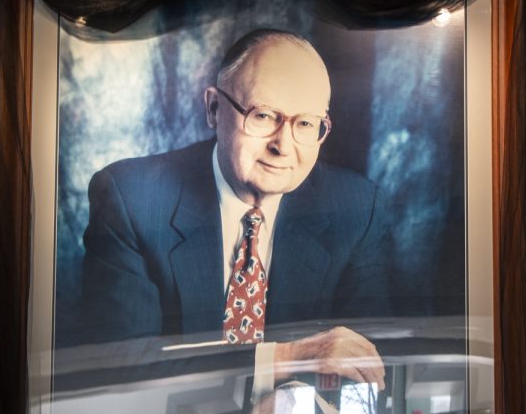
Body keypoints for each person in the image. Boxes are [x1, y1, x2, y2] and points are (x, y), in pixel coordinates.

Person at [81, 28, 390, 389]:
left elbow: (366, 367)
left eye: (306, 123)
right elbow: (121, 366)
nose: (283, 146)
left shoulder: (356, 209)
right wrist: (282, 359)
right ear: (213, 109)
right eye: (263, 116)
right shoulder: (131, 199)